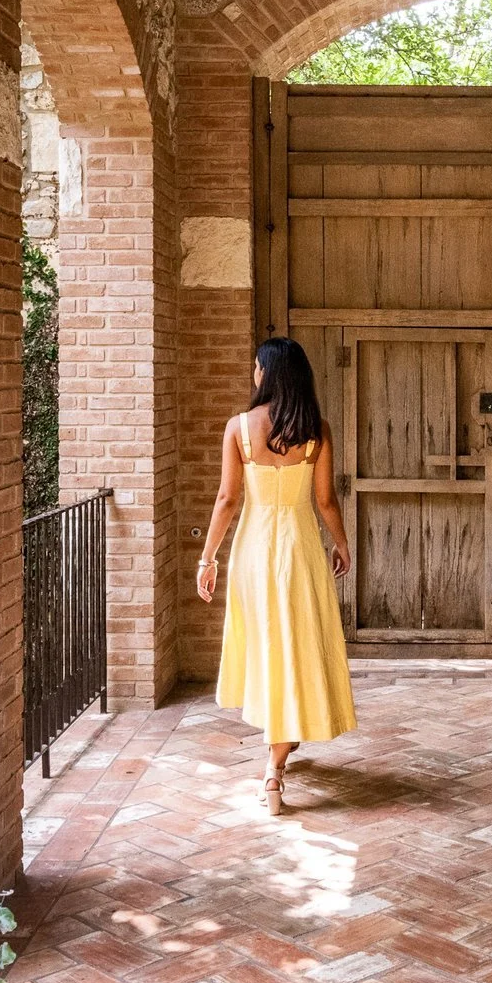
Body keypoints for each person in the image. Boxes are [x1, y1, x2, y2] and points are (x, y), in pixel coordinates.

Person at [197, 337, 356, 814]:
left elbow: (227, 499)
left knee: (269, 644)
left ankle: (275, 763)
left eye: (255, 368)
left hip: (254, 549)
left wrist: (208, 558)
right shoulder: (316, 429)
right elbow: (325, 501)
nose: (253, 374)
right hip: (301, 546)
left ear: (266, 373)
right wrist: (342, 543)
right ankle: (275, 767)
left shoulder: (239, 428)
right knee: (297, 643)